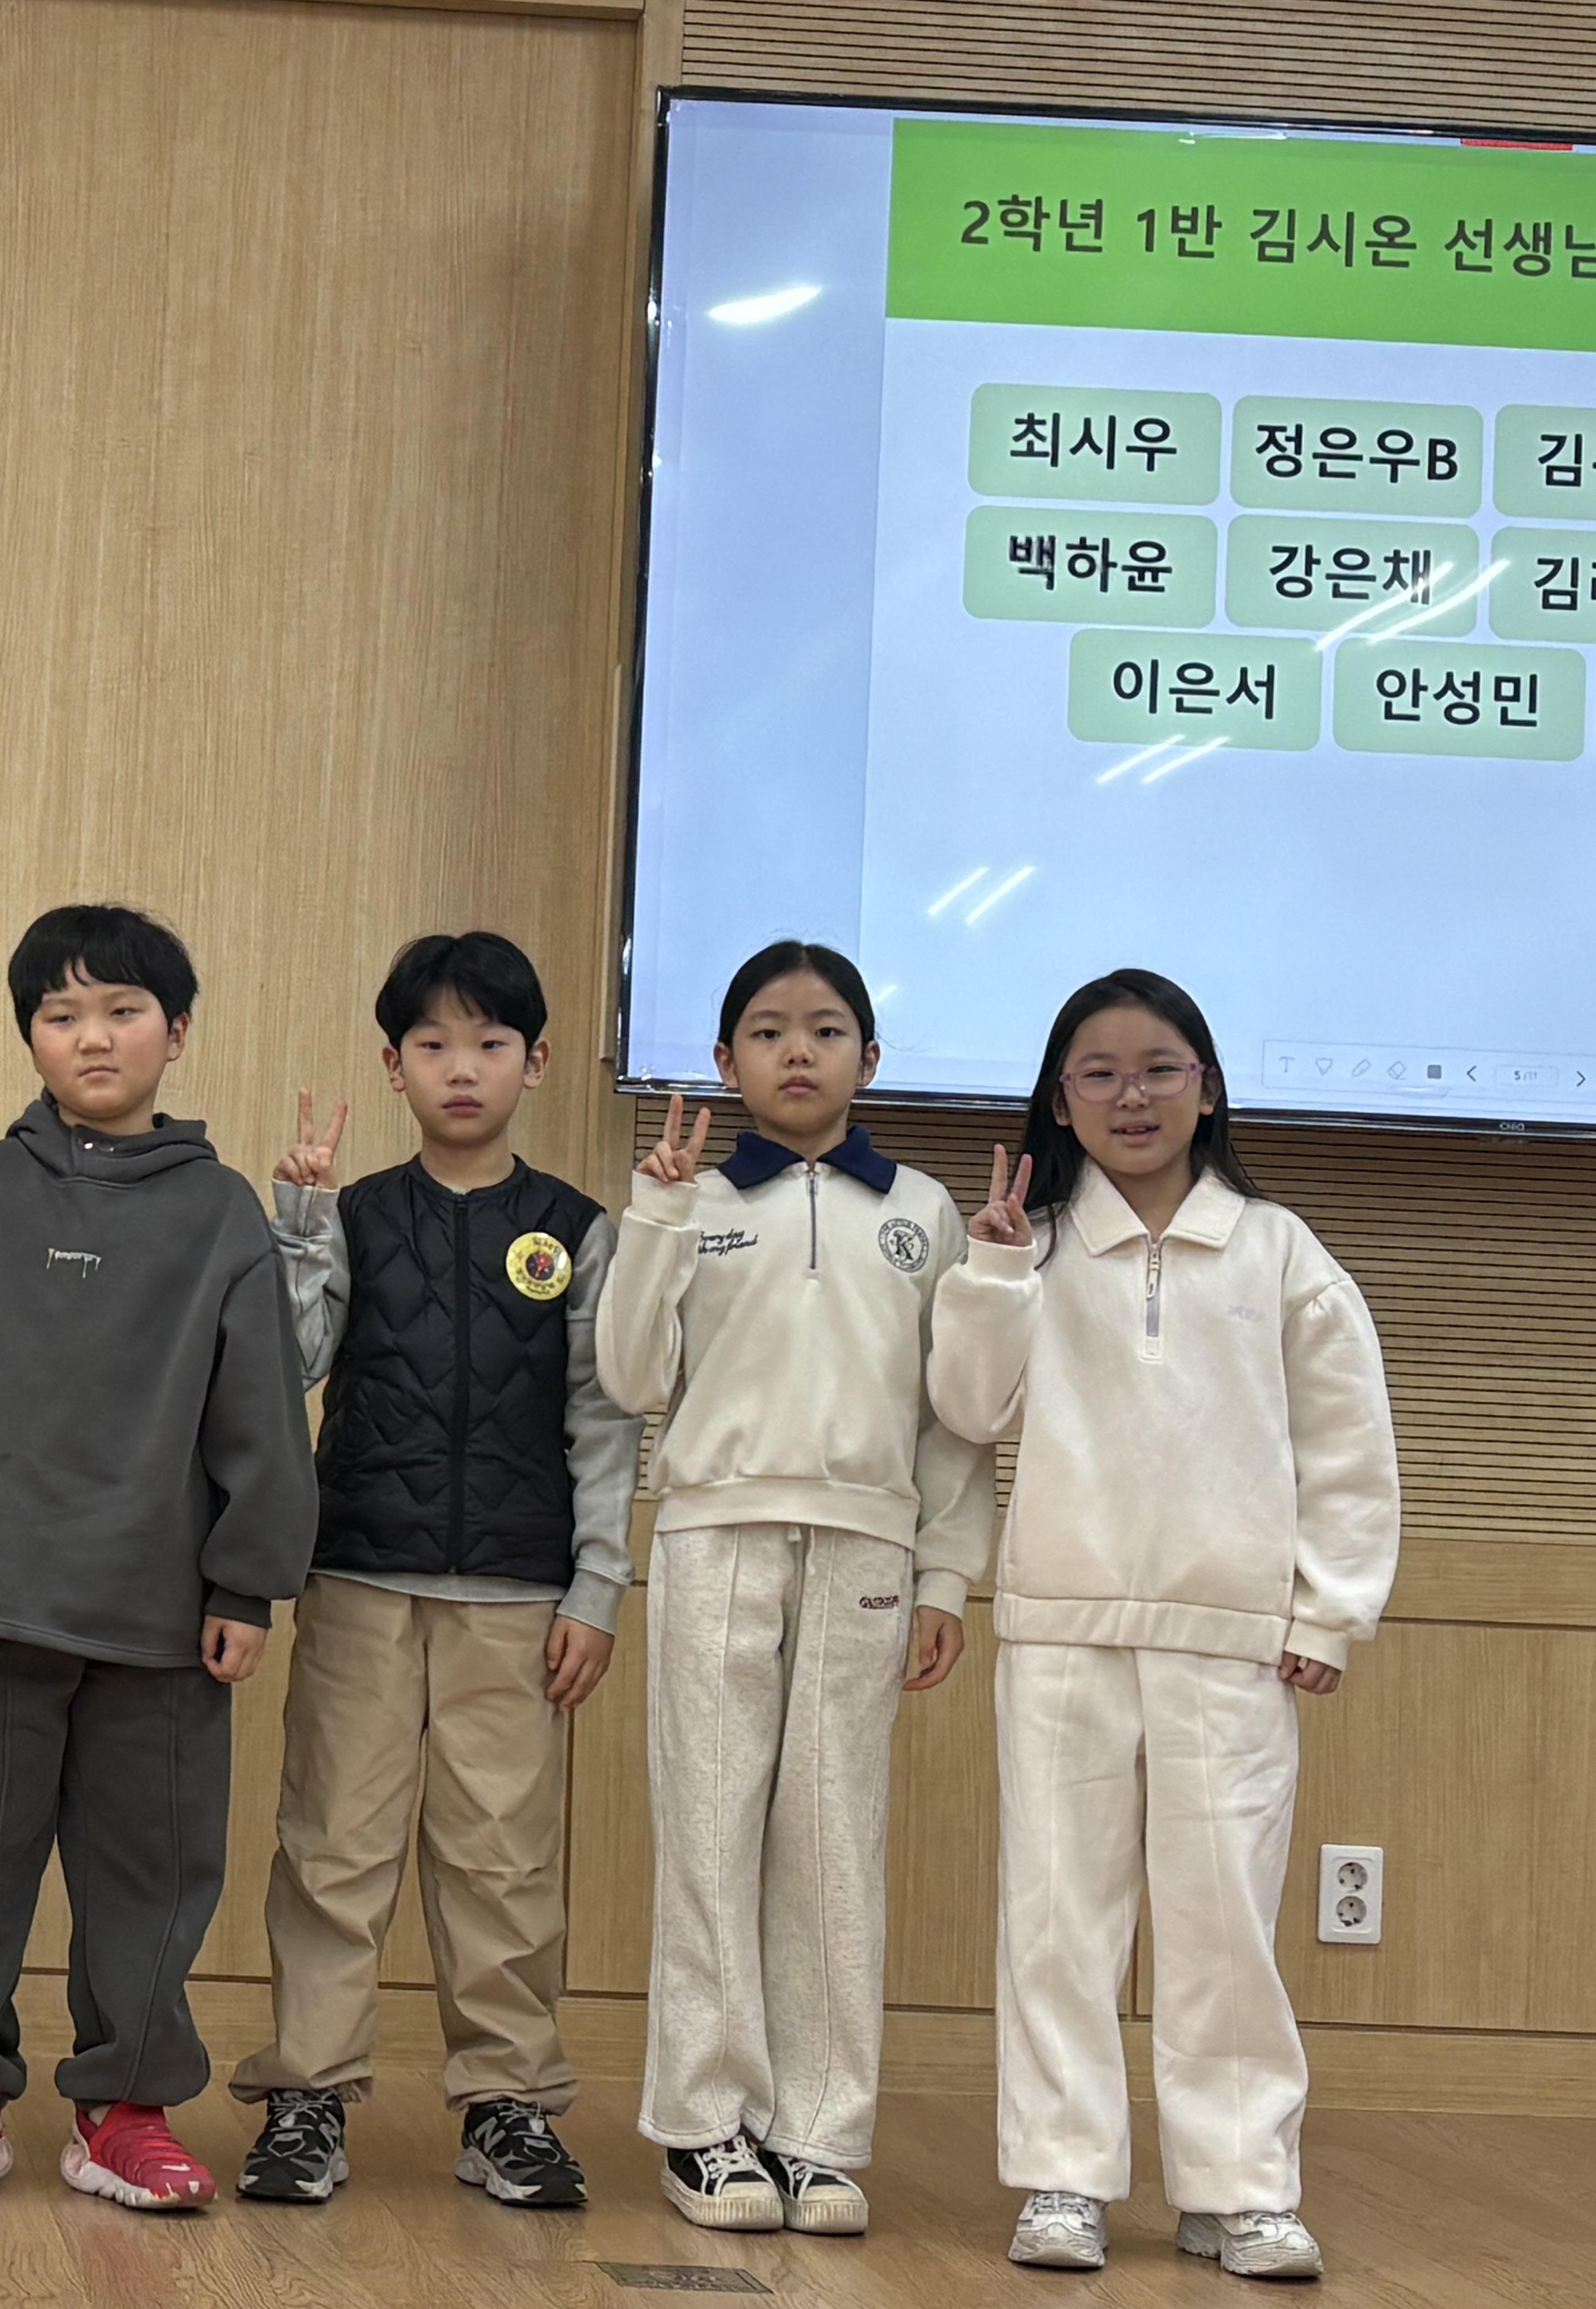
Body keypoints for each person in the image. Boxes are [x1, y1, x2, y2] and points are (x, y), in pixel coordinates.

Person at [931, 970, 1398, 2285]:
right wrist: (993, 1271)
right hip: (1062, 1630)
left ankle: (1241, 2189)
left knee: (1224, 1922)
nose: (1130, 1095)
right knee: (1057, 1916)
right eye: (1099, 1072)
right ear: (1060, 1101)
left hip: (1232, 1638)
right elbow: (967, 1409)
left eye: (1158, 1068)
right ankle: (1064, 2177)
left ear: (1209, 1086)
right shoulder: (1030, 1246)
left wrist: (1329, 1610)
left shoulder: (1278, 1251)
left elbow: (1349, 1445)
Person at [0, 904, 317, 2214]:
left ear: (178, 1032)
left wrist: (245, 1582)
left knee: (152, 1876)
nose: (94, 1037)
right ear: (30, 1039)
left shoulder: (222, 1214)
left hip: (162, 1621)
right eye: (61, 1015)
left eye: (122, 1011)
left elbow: (262, 1413)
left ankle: (127, 2110)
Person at [233, 932, 641, 2213]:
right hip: (361, 1575)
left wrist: (598, 1588)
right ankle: (308, 2094)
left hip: (519, 1597)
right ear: (393, 1065)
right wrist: (299, 1225)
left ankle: (507, 2104)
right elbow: (291, 1366)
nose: (462, 1069)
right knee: (332, 1845)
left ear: (538, 1062)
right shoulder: (355, 1215)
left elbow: (604, 1420)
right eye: (433, 1045)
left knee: (504, 1860)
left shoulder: (575, 1230)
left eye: (490, 1044)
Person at [594, 940, 992, 2238]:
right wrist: (654, 1218)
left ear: (869, 1057)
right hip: (715, 1534)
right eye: (768, 1031)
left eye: (825, 1030)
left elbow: (954, 1421)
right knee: (710, 1833)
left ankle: (818, 2136)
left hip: (869, 1550)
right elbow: (630, 1377)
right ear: (725, 1061)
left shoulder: (924, 1212)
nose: (798, 1051)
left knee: (833, 1841)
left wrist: (947, 1574)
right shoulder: (693, 1200)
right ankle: (705, 2128)